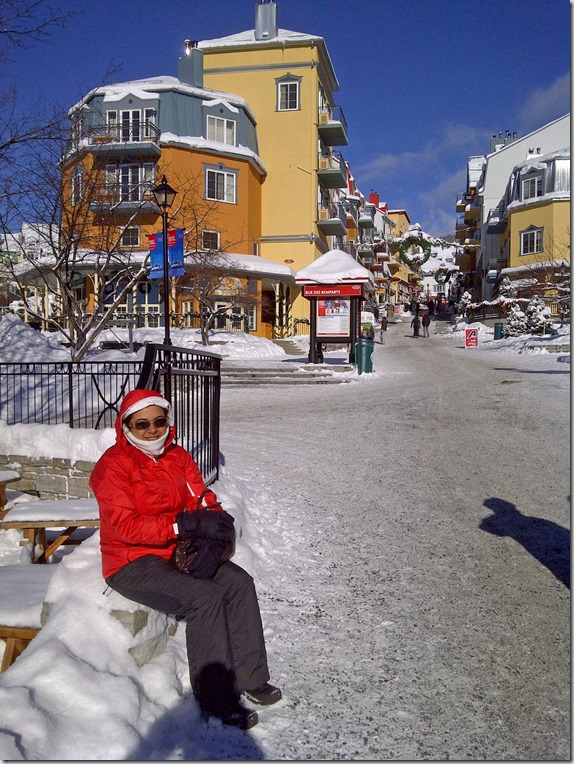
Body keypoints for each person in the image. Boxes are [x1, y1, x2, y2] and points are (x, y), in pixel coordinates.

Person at [89, 388, 281, 730]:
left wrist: (211, 537)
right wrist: (182, 524)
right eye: (142, 423)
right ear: (126, 426)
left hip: (177, 552)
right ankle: (215, 697)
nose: (152, 429)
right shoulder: (113, 466)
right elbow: (124, 526)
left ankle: (252, 678)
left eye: (159, 421)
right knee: (204, 597)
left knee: (239, 583)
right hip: (132, 561)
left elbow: (203, 499)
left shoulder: (177, 457)